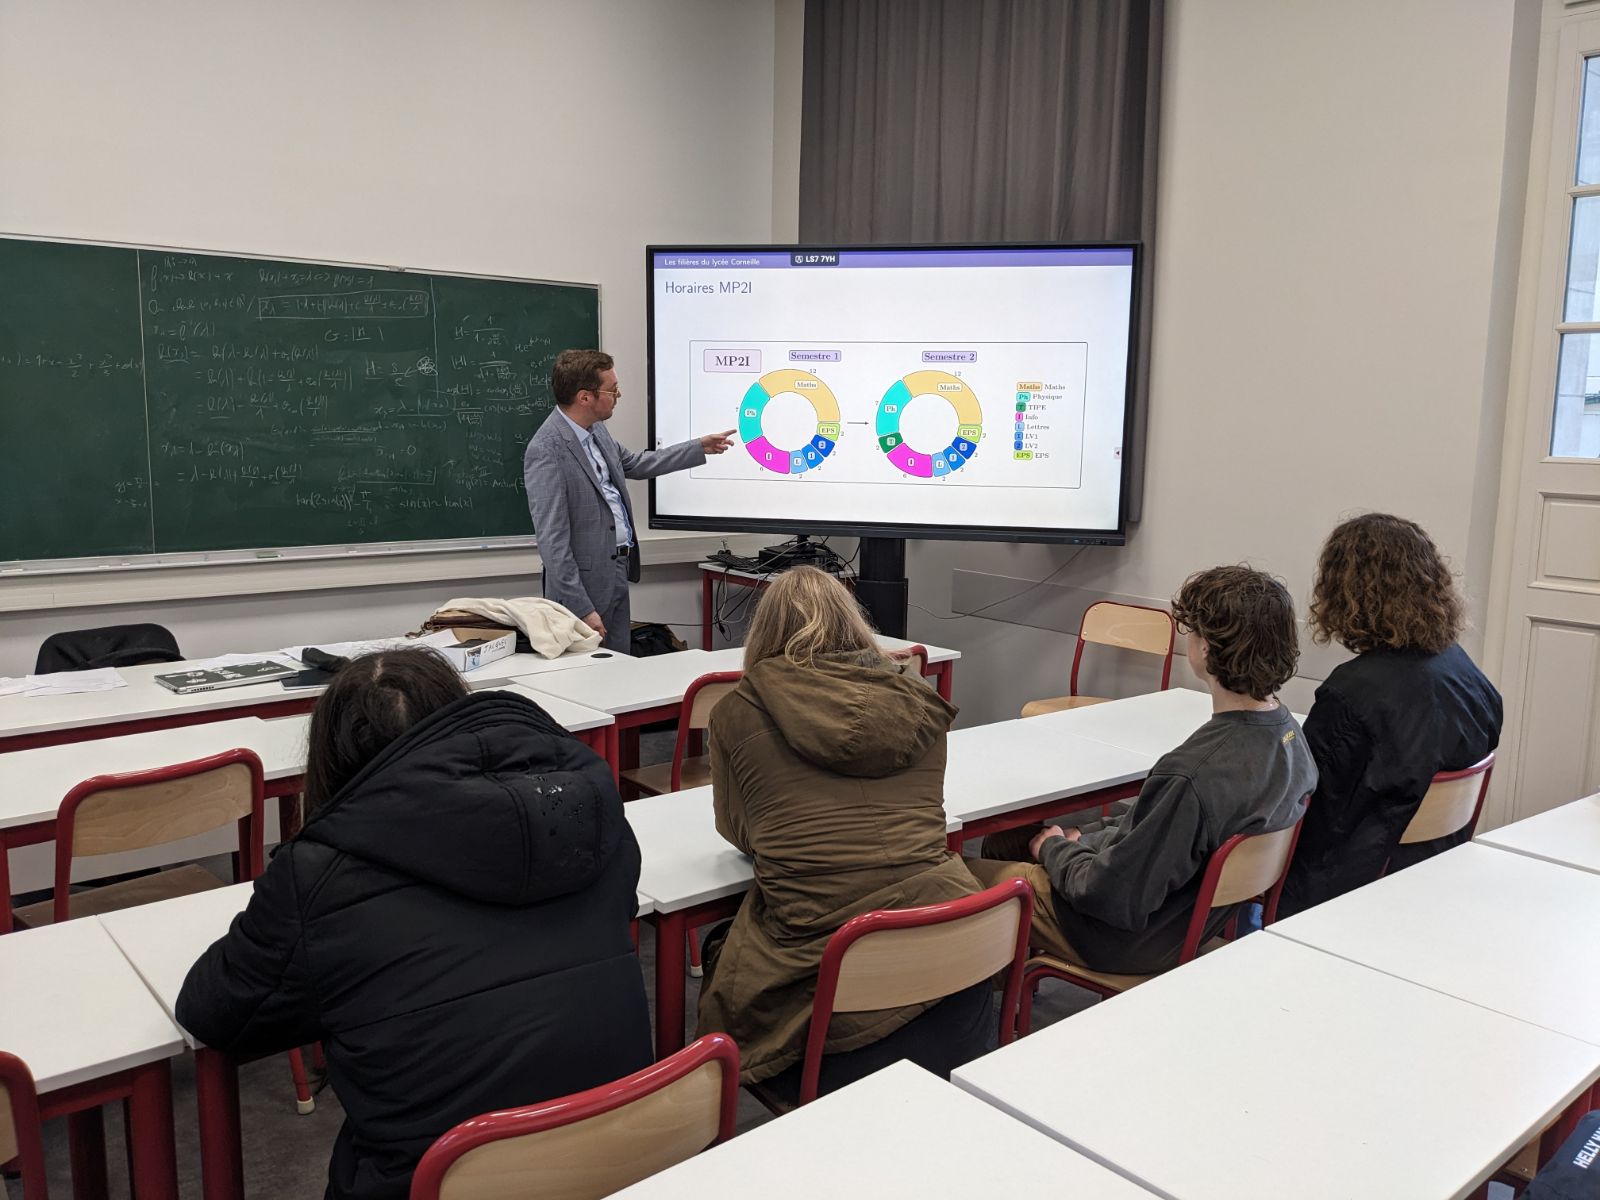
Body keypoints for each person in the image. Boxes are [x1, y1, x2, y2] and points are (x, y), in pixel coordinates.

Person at [176, 650, 651, 1200]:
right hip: (624, 1159)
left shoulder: (318, 877)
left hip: (439, 1180)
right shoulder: (593, 823)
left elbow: (214, 1012)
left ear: (332, 757)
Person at [694, 566, 992, 1098]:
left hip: (833, 1001)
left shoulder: (739, 711)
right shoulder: (917, 700)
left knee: (725, 951)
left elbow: (738, 830)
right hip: (954, 959)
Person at [969, 565, 1315, 975]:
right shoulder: (1291, 737)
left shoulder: (1191, 774)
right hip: (1193, 922)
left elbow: (1111, 896)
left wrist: (1055, 848)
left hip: (1128, 938)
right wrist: (1087, 838)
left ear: (1206, 650)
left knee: (964, 877)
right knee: (1007, 840)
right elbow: (1158, 833)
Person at [1279, 513, 1502, 916]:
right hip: (1431, 878)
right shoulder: (1469, 676)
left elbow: (1304, 809)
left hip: (1343, 896)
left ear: (1346, 592)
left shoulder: (1351, 693)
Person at [523, 349, 734, 652]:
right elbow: (552, 542)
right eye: (612, 389)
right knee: (588, 679)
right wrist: (582, 607)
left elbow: (635, 464)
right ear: (585, 397)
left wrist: (698, 447)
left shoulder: (595, 431)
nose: (618, 395)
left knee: (620, 667)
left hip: (617, 569)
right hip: (582, 587)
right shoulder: (547, 450)